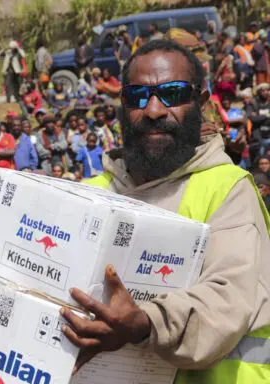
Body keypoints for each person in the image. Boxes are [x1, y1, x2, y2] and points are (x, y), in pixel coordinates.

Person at [66, 39, 270, 382]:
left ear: (201, 103)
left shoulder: (228, 188)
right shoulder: (88, 194)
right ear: (122, 107)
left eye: (173, 94)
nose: (154, 110)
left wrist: (147, 323)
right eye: (137, 96)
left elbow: (228, 299)